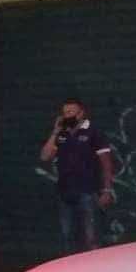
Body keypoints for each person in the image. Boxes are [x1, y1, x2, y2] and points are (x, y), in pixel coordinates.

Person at [39, 97, 114, 254]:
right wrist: (55, 133)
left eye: (71, 112)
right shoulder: (63, 135)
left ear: (81, 113)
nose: (68, 115)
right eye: (65, 113)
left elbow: (106, 164)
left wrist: (106, 191)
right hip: (65, 192)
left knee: (91, 236)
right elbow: (45, 156)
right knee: (67, 237)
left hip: (88, 191)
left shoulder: (94, 133)